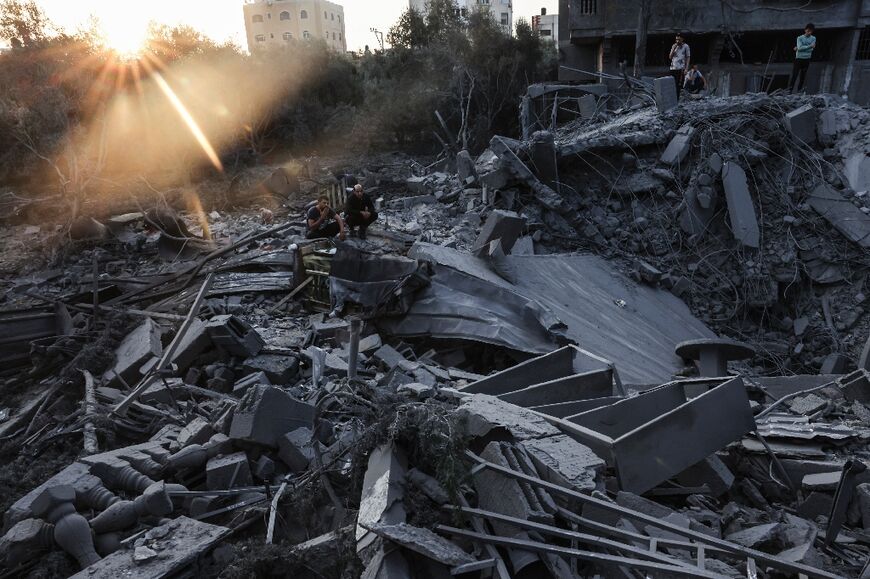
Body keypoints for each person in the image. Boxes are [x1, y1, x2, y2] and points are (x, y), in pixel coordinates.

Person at [790, 23, 816, 93]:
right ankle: (789, 91)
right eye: (808, 31)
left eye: (810, 31)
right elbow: (800, 48)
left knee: (803, 76)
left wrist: (801, 48)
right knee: (794, 75)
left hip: (807, 59)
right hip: (798, 58)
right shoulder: (800, 38)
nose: (809, 32)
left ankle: (799, 91)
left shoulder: (813, 38)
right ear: (805, 30)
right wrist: (809, 46)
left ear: (812, 31)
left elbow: (811, 50)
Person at [669, 33, 691, 98]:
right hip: (673, 68)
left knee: (678, 85)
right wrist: (673, 49)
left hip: (681, 68)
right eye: (676, 39)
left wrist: (686, 68)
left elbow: (688, 57)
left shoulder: (686, 46)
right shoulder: (674, 46)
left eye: (679, 39)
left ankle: (676, 100)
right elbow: (670, 57)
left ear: (682, 39)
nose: (677, 41)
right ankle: (672, 99)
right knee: (672, 84)